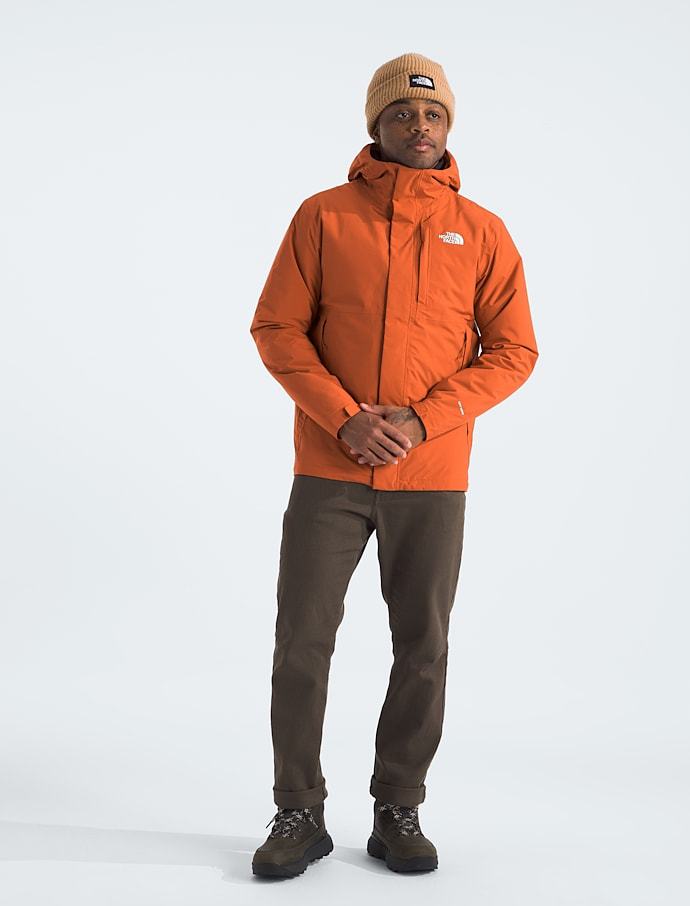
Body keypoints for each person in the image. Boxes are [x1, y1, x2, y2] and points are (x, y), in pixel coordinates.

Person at [248, 51, 539, 879]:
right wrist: (344, 418)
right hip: (329, 471)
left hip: (432, 478)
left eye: (434, 113)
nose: (421, 126)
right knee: (301, 642)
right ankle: (298, 811)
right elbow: (277, 328)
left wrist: (423, 418)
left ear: (449, 126)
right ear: (376, 123)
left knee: (423, 645)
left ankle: (398, 807)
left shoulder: (481, 231)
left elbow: (514, 350)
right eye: (404, 113)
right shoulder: (322, 217)